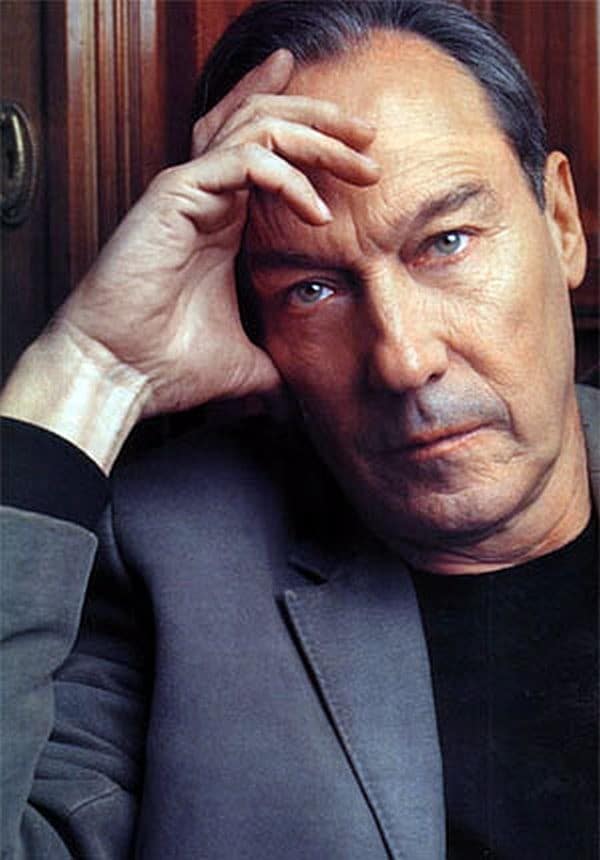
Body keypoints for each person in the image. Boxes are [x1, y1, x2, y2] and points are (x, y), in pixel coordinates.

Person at [1, 0, 597, 857]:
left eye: (447, 242)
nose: (402, 359)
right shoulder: (167, 561)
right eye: (312, 290)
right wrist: (90, 369)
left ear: (562, 224)